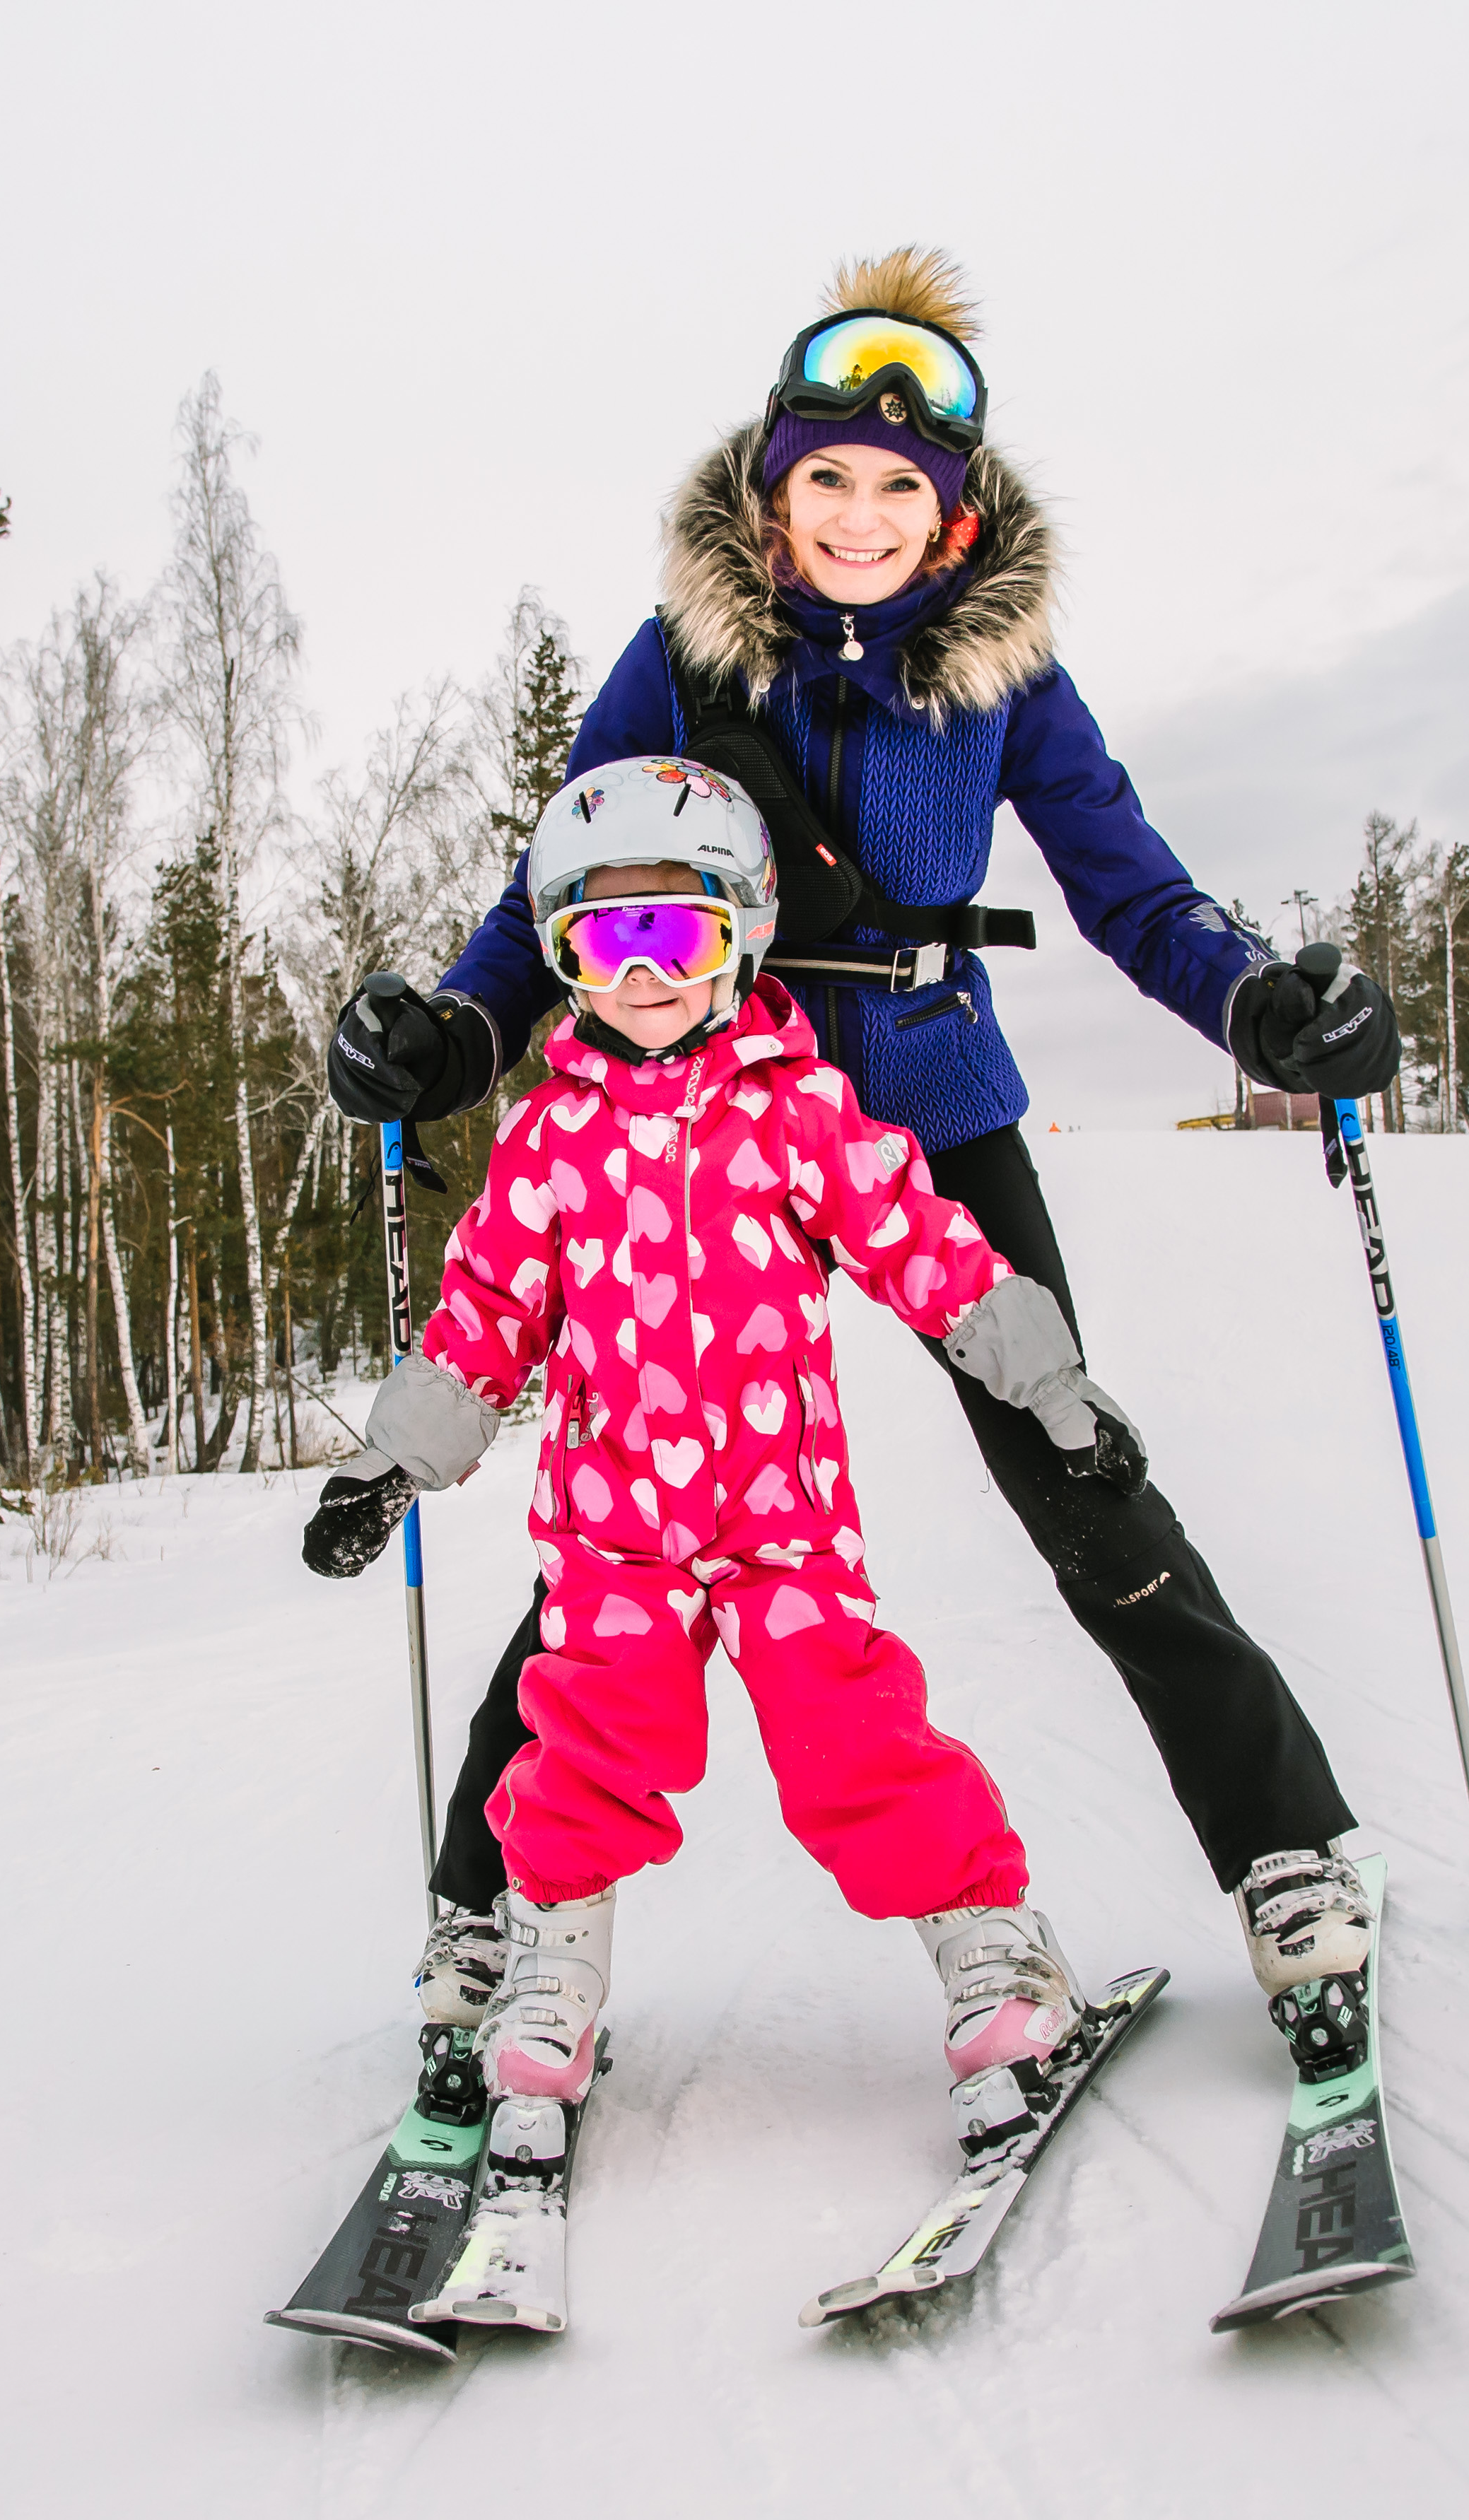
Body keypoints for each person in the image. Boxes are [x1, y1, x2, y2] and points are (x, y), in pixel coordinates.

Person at [324, 247, 1407, 2080]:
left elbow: (1127, 887)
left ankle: (1285, 1853)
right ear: (770, 485)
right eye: (823, 474)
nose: (856, 513)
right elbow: (552, 875)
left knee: (1084, 1480)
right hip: (685, 1106)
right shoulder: (681, 654)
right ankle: (484, 1919)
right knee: (618, 1535)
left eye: (897, 485)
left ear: (954, 514)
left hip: (923, 1101)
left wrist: (1256, 1000)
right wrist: (457, 1028)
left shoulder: (1002, 679)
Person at [304, 758, 1127, 2102]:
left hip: (780, 1524)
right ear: (564, 959)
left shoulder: (800, 1112)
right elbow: (481, 1317)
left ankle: (997, 1946)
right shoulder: (549, 1143)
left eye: (673, 931)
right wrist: (390, 1462)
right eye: (601, 937)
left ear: (740, 930)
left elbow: (929, 1246)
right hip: (612, 1532)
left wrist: (1053, 1385)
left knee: (856, 1742)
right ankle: (552, 1971)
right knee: (581, 1747)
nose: (641, 972)